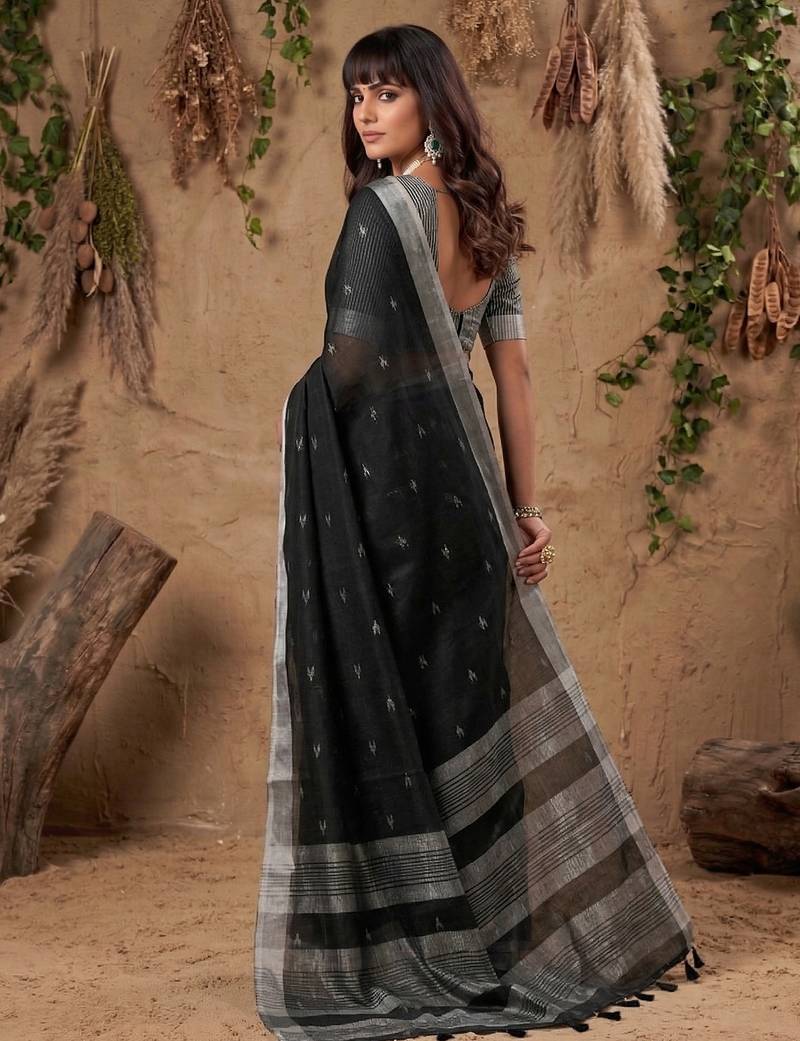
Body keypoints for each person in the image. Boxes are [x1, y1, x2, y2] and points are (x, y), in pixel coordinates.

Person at [255, 23, 703, 1041]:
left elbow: (350, 366)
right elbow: (512, 375)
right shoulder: (488, 216)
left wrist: (297, 409)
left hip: (391, 494)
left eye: (386, 93)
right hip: (467, 496)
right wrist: (524, 510)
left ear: (430, 101)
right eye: (356, 95)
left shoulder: (382, 213)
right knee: (463, 700)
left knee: (398, 702)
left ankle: (417, 939)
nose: (366, 112)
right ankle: (497, 931)